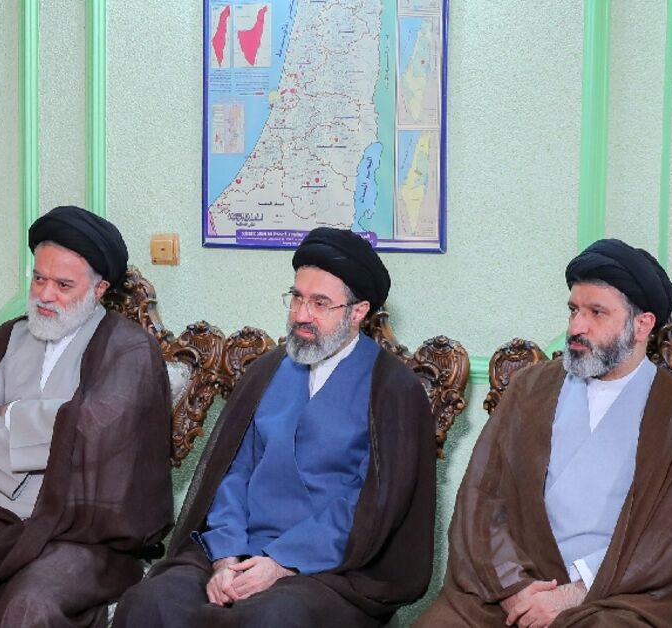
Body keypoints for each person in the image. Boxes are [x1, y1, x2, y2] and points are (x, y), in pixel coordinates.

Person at [115, 227, 436, 628]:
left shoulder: (391, 390)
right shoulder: (267, 370)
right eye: (297, 297)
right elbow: (232, 475)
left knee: (271, 618)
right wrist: (226, 557)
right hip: (240, 547)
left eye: (320, 303)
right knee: (152, 601)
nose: (301, 314)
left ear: (357, 312)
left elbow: (370, 508)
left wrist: (282, 563)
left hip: (332, 568)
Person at [419, 239, 672, 627]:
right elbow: (482, 501)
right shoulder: (530, 387)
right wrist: (515, 588)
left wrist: (576, 592)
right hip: (514, 587)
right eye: (573, 310)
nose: (576, 327)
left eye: (596, 312)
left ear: (642, 325)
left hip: (616, 598)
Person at [0, 205, 173, 627]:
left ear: (99, 288)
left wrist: (10, 414)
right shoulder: (12, 335)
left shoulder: (129, 350)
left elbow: (94, 436)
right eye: (39, 278)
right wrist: (49, 439)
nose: (46, 295)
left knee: (27, 605)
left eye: (63, 285)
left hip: (81, 532)